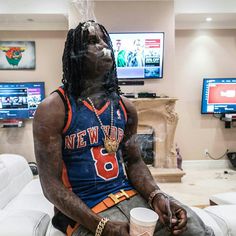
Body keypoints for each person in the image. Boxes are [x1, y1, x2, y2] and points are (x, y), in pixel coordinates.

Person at [33, 20, 214, 236]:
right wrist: (102, 227)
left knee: (192, 227)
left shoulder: (125, 107)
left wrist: (156, 195)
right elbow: (50, 186)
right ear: (75, 54)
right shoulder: (54, 109)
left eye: (105, 40)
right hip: (84, 210)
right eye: (93, 41)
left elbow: (135, 162)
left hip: (128, 194)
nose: (104, 46)